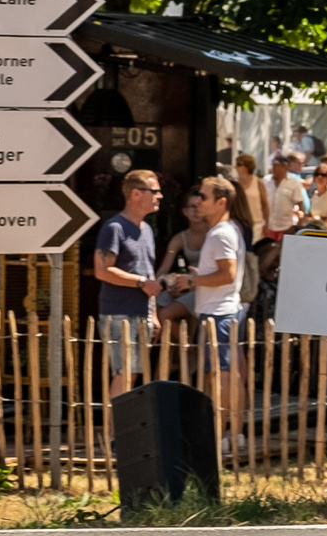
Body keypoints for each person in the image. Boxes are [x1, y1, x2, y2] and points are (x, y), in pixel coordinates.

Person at [167, 176, 247, 442]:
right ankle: (234, 433)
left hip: (218, 313)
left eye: (204, 197)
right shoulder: (228, 229)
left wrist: (193, 280)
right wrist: (198, 278)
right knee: (228, 373)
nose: (198, 201)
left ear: (221, 202)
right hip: (223, 310)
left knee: (221, 374)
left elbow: (228, 274)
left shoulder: (221, 233)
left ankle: (224, 433)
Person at [92, 170, 164, 396]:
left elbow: (148, 271)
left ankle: (124, 430)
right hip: (118, 313)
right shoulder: (115, 228)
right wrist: (141, 283)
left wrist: (153, 314)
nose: (160, 196)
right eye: (154, 191)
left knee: (133, 376)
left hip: (141, 313)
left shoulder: (147, 230)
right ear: (135, 194)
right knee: (123, 374)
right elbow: (102, 270)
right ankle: (115, 432)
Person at [155, 189, 210, 327]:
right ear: (185, 211)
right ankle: (188, 346)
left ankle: (190, 348)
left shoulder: (214, 233)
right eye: (192, 206)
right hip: (188, 288)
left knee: (164, 315)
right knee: (154, 308)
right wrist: (162, 284)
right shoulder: (180, 238)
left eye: (200, 205)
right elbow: (164, 268)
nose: (196, 210)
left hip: (208, 286)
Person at [267, 153, 307, 237]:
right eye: (273, 165)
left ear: (285, 167)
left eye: (278, 166)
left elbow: (300, 204)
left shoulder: (294, 183)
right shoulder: (266, 181)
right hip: (268, 226)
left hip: (286, 226)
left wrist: (299, 223)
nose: (275, 168)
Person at [232, 152, 269, 240]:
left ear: (248, 166)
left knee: (253, 249)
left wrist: (266, 223)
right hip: (238, 222)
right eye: (236, 164)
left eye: (239, 164)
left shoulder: (258, 182)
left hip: (256, 223)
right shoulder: (234, 183)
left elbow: (265, 204)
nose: (236, 167)